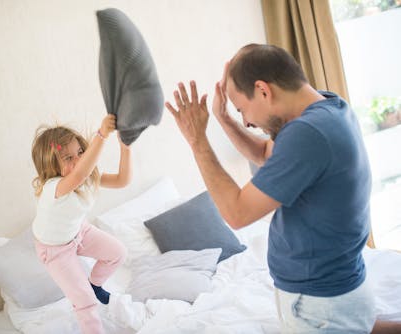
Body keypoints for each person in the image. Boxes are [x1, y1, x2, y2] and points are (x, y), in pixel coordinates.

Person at [165, 43, 376, 333]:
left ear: (263, 90)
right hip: (333, 294)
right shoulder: (328, 108)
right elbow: (267, 155)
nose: (248, 121)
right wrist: (224, 119)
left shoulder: (307, 134)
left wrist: (197, 140)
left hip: (318, 304)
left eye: (243, 109)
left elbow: (237, 213)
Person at [30, 114, 131, 334]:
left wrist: (126, 148)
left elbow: (122, 181)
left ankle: (95, 284)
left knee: (118, 253)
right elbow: (80, 172)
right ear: (51, 167)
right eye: (68, 158)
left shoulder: (87, 177)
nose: (78, 160)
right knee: (85, 303)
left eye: (80, 153)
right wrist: (102, 134)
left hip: (78, 231)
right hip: (54, 249)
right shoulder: (54, 188)